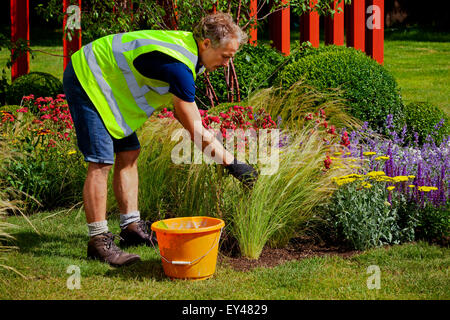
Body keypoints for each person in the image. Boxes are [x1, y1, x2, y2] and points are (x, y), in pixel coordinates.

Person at [63, 12, 258, 267]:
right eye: (225, 57)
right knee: (101, 161)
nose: (226, 64)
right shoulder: (179, 66)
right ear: (207, 44)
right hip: (88, 77)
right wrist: (234, 164)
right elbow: (195, 129)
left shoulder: (189, 52)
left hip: (109, 85)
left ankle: (131, 227)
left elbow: (181, 112)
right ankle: (99, 241)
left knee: (129, 153)